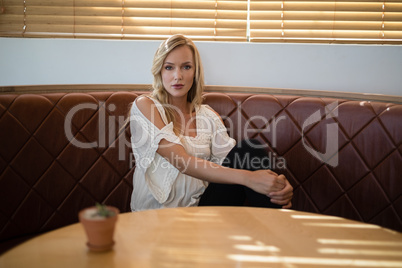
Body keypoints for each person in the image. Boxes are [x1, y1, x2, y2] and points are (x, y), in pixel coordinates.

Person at [129, 34, 293, 211]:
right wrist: (249, 178)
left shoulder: (208, 116)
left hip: (202, 212)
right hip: (158, 216)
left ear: (195, 72)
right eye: (169, 67)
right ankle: (282, 222)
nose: (178, 76)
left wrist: (276, 186)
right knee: (248, 171)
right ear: (160, 72)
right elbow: (181, 161)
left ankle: (280, 214)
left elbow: (233, 165)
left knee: (250, 150)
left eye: (186, 67)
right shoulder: (145, 106)